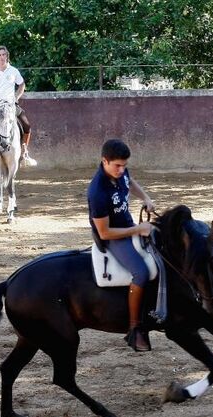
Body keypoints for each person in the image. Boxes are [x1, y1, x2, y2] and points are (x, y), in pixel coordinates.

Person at [87, 139, 156, 351]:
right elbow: (104, 232)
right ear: (104, 161)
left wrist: (146, 197)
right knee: (141, 273)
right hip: (113, 238)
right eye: (117, 165)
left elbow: (129, 181)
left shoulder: (121, 172)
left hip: (127, 225)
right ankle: (134, 328)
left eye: (124, 165)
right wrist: (138, 229)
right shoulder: (97, 192)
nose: (121, 170)